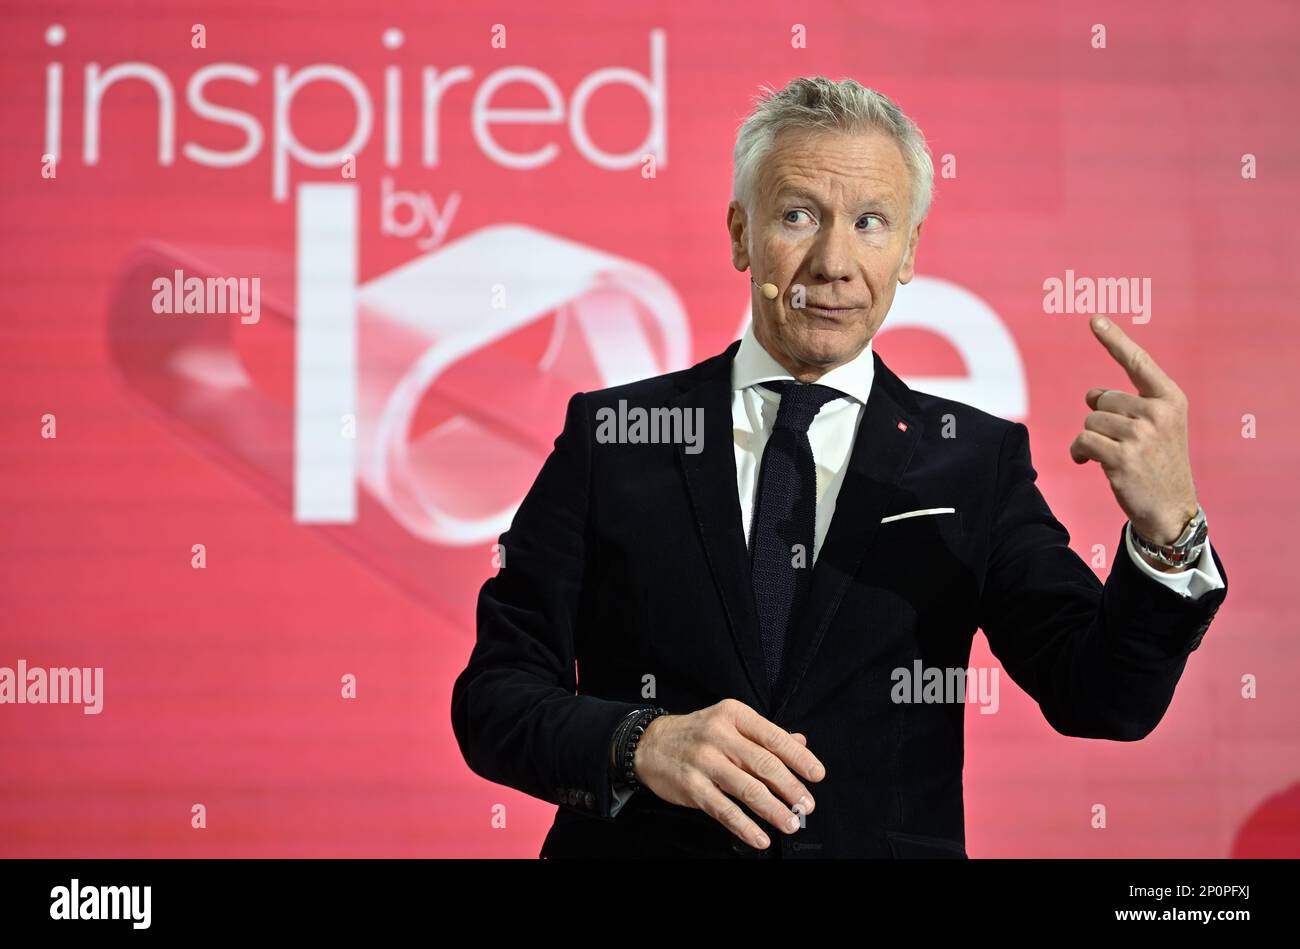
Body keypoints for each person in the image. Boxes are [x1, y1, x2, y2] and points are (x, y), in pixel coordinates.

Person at [450, 77, 1228, 858]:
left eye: (870, 223)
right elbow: (493, 698)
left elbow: (1101, 697)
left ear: (911, 249)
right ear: (739, 234)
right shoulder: (613, 435)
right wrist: (638, 742)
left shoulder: (973, 461)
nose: (834, 262)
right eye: (797, 216)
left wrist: (1170, 533)